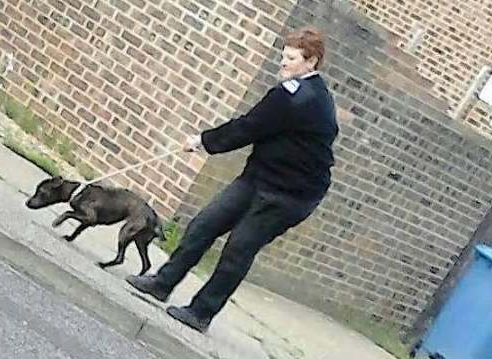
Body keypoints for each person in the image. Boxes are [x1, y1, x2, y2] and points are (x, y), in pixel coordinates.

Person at [126, 26, 339, 333]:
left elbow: (248, 127)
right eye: (284, 56)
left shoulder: (301, 97)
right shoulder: (300, 93)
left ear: (311, 62)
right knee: (205, 224)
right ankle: (162, 282)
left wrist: (203, 141)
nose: (283, 63)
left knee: (239, 248)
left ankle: (200, 313)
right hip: (259, 177)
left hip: (289, 196)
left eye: (291, 58)